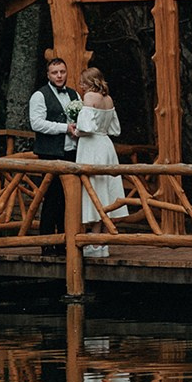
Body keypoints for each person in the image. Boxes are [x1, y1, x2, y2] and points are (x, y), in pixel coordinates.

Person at [75, 63, 130, 257]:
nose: (81, 86)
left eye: (83, 82)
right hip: (106, 145)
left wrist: (75, 130)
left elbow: (86, 127)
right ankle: (104, 242)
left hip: (92, 146)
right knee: (107, 189)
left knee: (95, 190)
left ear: (90, 82)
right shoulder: (108, 99)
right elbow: (115, 129)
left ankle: (96, 242)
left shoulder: (90, 97)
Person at [26, 46, 79, 237]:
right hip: (50, 153)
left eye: (62, 72)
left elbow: (80, 119)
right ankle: (47, 243)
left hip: (72, 152)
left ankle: (66, 241)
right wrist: (64, 128)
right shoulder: (39, 96)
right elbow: (37, 124)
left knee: (68, 199)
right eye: (55, 73)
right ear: (48, 75)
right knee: (51, 198)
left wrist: (78, 129)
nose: (59, 76)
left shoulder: (74, 95)